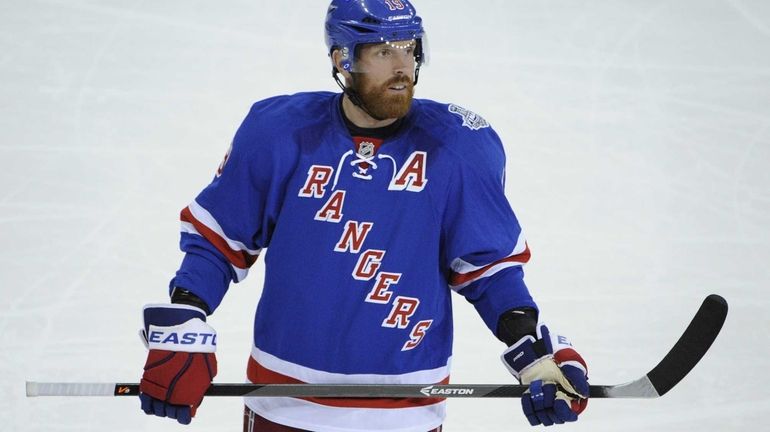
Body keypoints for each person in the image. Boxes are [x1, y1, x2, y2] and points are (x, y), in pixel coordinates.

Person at [137, 1, 590, 430]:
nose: (401, 68)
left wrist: (532, 352)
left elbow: (489, 270)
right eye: (382, 51)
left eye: (409, 49)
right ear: (342, 59)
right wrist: (186, 318)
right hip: (285, 403)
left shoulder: (459, 149)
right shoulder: (278, 132)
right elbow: (219, 241)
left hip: (407, 411)